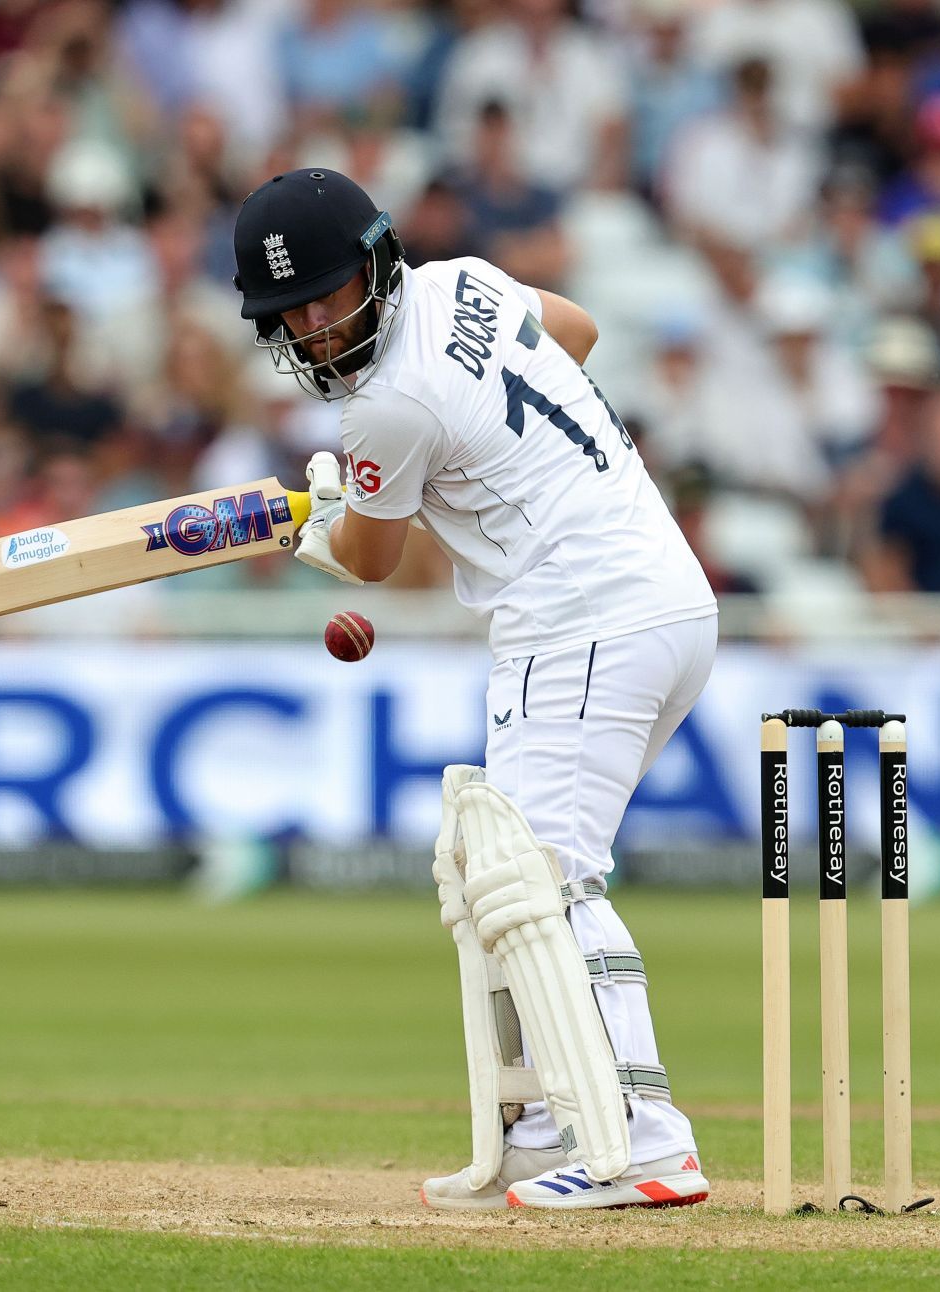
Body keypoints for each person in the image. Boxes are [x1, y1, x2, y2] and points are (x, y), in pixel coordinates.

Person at [231, 169, 717, 1209]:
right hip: (661, 596)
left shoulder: (386, 406)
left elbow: (367, 560)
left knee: (545, 881)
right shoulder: (465, 284)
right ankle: (551, 1121)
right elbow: (577, 332)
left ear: (375, 262)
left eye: (330, 295)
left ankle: (645, 1140)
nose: (319, 329)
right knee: (504, 874)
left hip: (583, 617)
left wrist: (316, 516)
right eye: (295, 315)